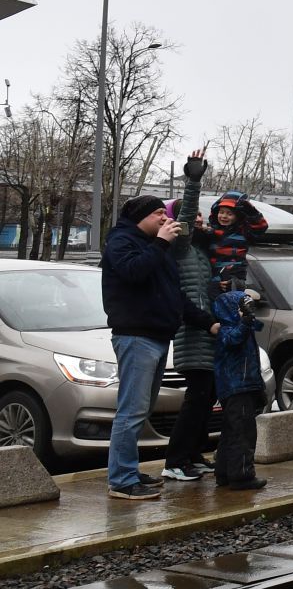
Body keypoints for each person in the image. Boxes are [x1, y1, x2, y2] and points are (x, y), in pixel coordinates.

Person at [101, 196, 221, 500]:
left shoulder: (157, 247)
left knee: (140, 410)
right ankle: (122, 481)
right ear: (141, 217)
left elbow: (174, 295)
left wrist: (208, 322)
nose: (164, 219)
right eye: (157, 214)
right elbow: (133, 271)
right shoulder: (122, 241)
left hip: (156, 337)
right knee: (131, 411)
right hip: (135, 336)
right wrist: (161, 244)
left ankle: (128, 470)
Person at [161, 148, 218, 483]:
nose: (197, 221)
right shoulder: (181, 247)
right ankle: (175, 460)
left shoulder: (200, 251)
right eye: (191, 219)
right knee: (197, 398)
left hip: (207, 333)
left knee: (205, 398)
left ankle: (193, 455)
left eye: (199, 219)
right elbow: (186, 214)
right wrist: (193, 180)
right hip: (193, 334)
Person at [210, 285, 268, 490]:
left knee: (231, 431)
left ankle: (225, 472)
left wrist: (248, 316)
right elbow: (233, 339)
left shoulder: (242, 327)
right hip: (237, 388)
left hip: (241, 387)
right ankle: (242, 475)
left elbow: (257, 326)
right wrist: (244, 320)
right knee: (243, 432)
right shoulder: (228, 330)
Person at [195, 191, 269, 290]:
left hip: (235, 274)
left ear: (238, 216)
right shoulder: (211, 232)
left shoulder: (243, 232)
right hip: (214, 275)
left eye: (229, 214)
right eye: (221, 212)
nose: (224, 216)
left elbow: (261, 226)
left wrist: (251, 211)